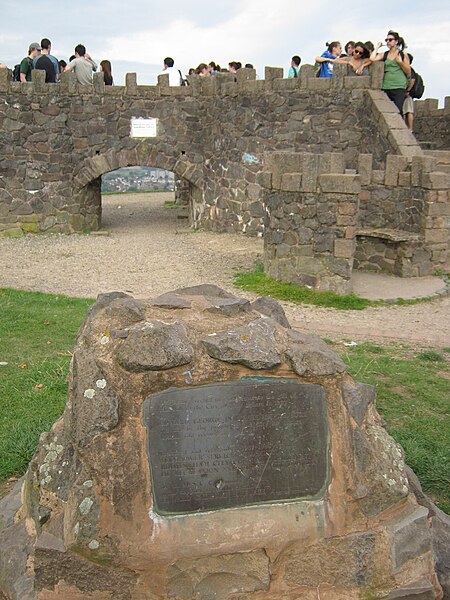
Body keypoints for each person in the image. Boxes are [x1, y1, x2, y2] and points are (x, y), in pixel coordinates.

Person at [370, 31, 410, 113]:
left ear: (396, 41)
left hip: (399, 86)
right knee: (386, 110)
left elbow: (408, 70)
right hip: (386, 86)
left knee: (398, 111)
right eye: (386, 40)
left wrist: (400, 62)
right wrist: (377, 47)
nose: (388, 42)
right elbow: (372, 59)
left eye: (390, 40)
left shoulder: (402, 54)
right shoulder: (384, 54)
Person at [403, 53, 416, 130]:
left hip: (408, 93)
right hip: (406, 93)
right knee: (406, 111)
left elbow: (413, 80)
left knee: (408, 111)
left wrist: (408, 90)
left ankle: (410, 129)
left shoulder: (409, 70)